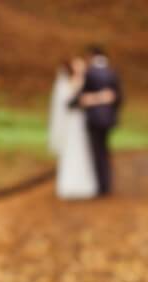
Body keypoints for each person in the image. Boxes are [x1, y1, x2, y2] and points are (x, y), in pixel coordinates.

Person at [74, 45, 123, 197]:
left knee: (97, 152)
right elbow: (120, 98)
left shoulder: (89, 73)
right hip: (108, 119)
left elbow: (80, 97)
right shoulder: (113, 72)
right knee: (105, 150)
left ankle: (101, 186)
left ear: (91, 56)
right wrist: (113, 113)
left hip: (94, 119)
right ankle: (106, 183)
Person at [49, 58, 98, 200]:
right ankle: (70, 184)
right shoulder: (69, 83)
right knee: (73, 150)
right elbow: (69, 103)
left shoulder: (85, 81)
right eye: (78, 66)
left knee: (83, 151)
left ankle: (84, 184)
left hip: (81, 121)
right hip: (73, 122)